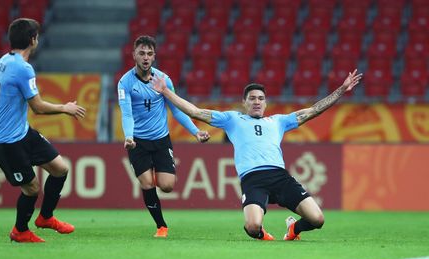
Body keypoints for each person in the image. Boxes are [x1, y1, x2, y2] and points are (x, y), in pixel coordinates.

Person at [151, 69, 363, 240]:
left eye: (261, 98)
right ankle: (263, 235)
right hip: (253, 180)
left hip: (280, 177)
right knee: (252, 227)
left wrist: (342, 89)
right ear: (244, 102)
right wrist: (166, 92)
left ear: (266, 103)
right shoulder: (232, 119)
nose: (257, 102)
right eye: (252, 98)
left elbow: (314, 110)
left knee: (317, 219)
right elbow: (196, 112)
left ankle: (293, 230)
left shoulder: (278, 121)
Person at [0, 18, 86, 243]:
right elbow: (37, 107)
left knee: (60, 168)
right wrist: (65, 108)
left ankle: (45, 217)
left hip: (22, 133)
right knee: (32, 189)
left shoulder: (2, 62)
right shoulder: (23, 68)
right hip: (6, 142)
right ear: (33, 40)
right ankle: (20, 230)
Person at [117, 35, 210, 238]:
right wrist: (129, 136)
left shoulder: (163, 80)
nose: (146, 57)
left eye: (149, 54)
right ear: (134, 55)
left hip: (161, 139)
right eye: (141, 53)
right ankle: (161, 226)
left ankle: (157, 174)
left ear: (154, 56)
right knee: (147, 183)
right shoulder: (124, 82)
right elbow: (127, 113)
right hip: (137, 142)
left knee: (167, 186)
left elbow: (176, 111)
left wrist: (196, 132)